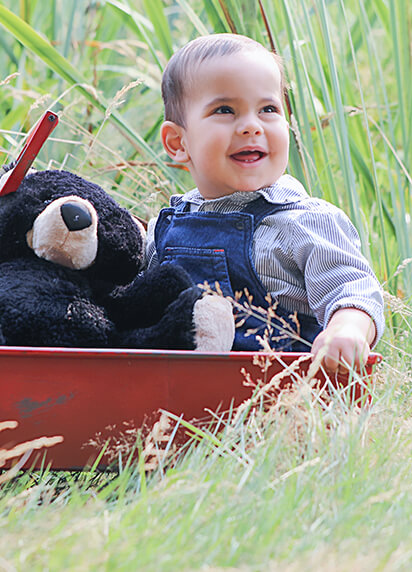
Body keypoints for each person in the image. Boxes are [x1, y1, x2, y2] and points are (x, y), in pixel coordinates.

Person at [146, 33, 385, 372]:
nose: (251, 126)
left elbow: (352, 287)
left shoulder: (302, 222)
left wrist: (346, 327)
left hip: (280, 396)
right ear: (177, 142)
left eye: (268, 109)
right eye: (225, 110)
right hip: (176, 392)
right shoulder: (168, 225)